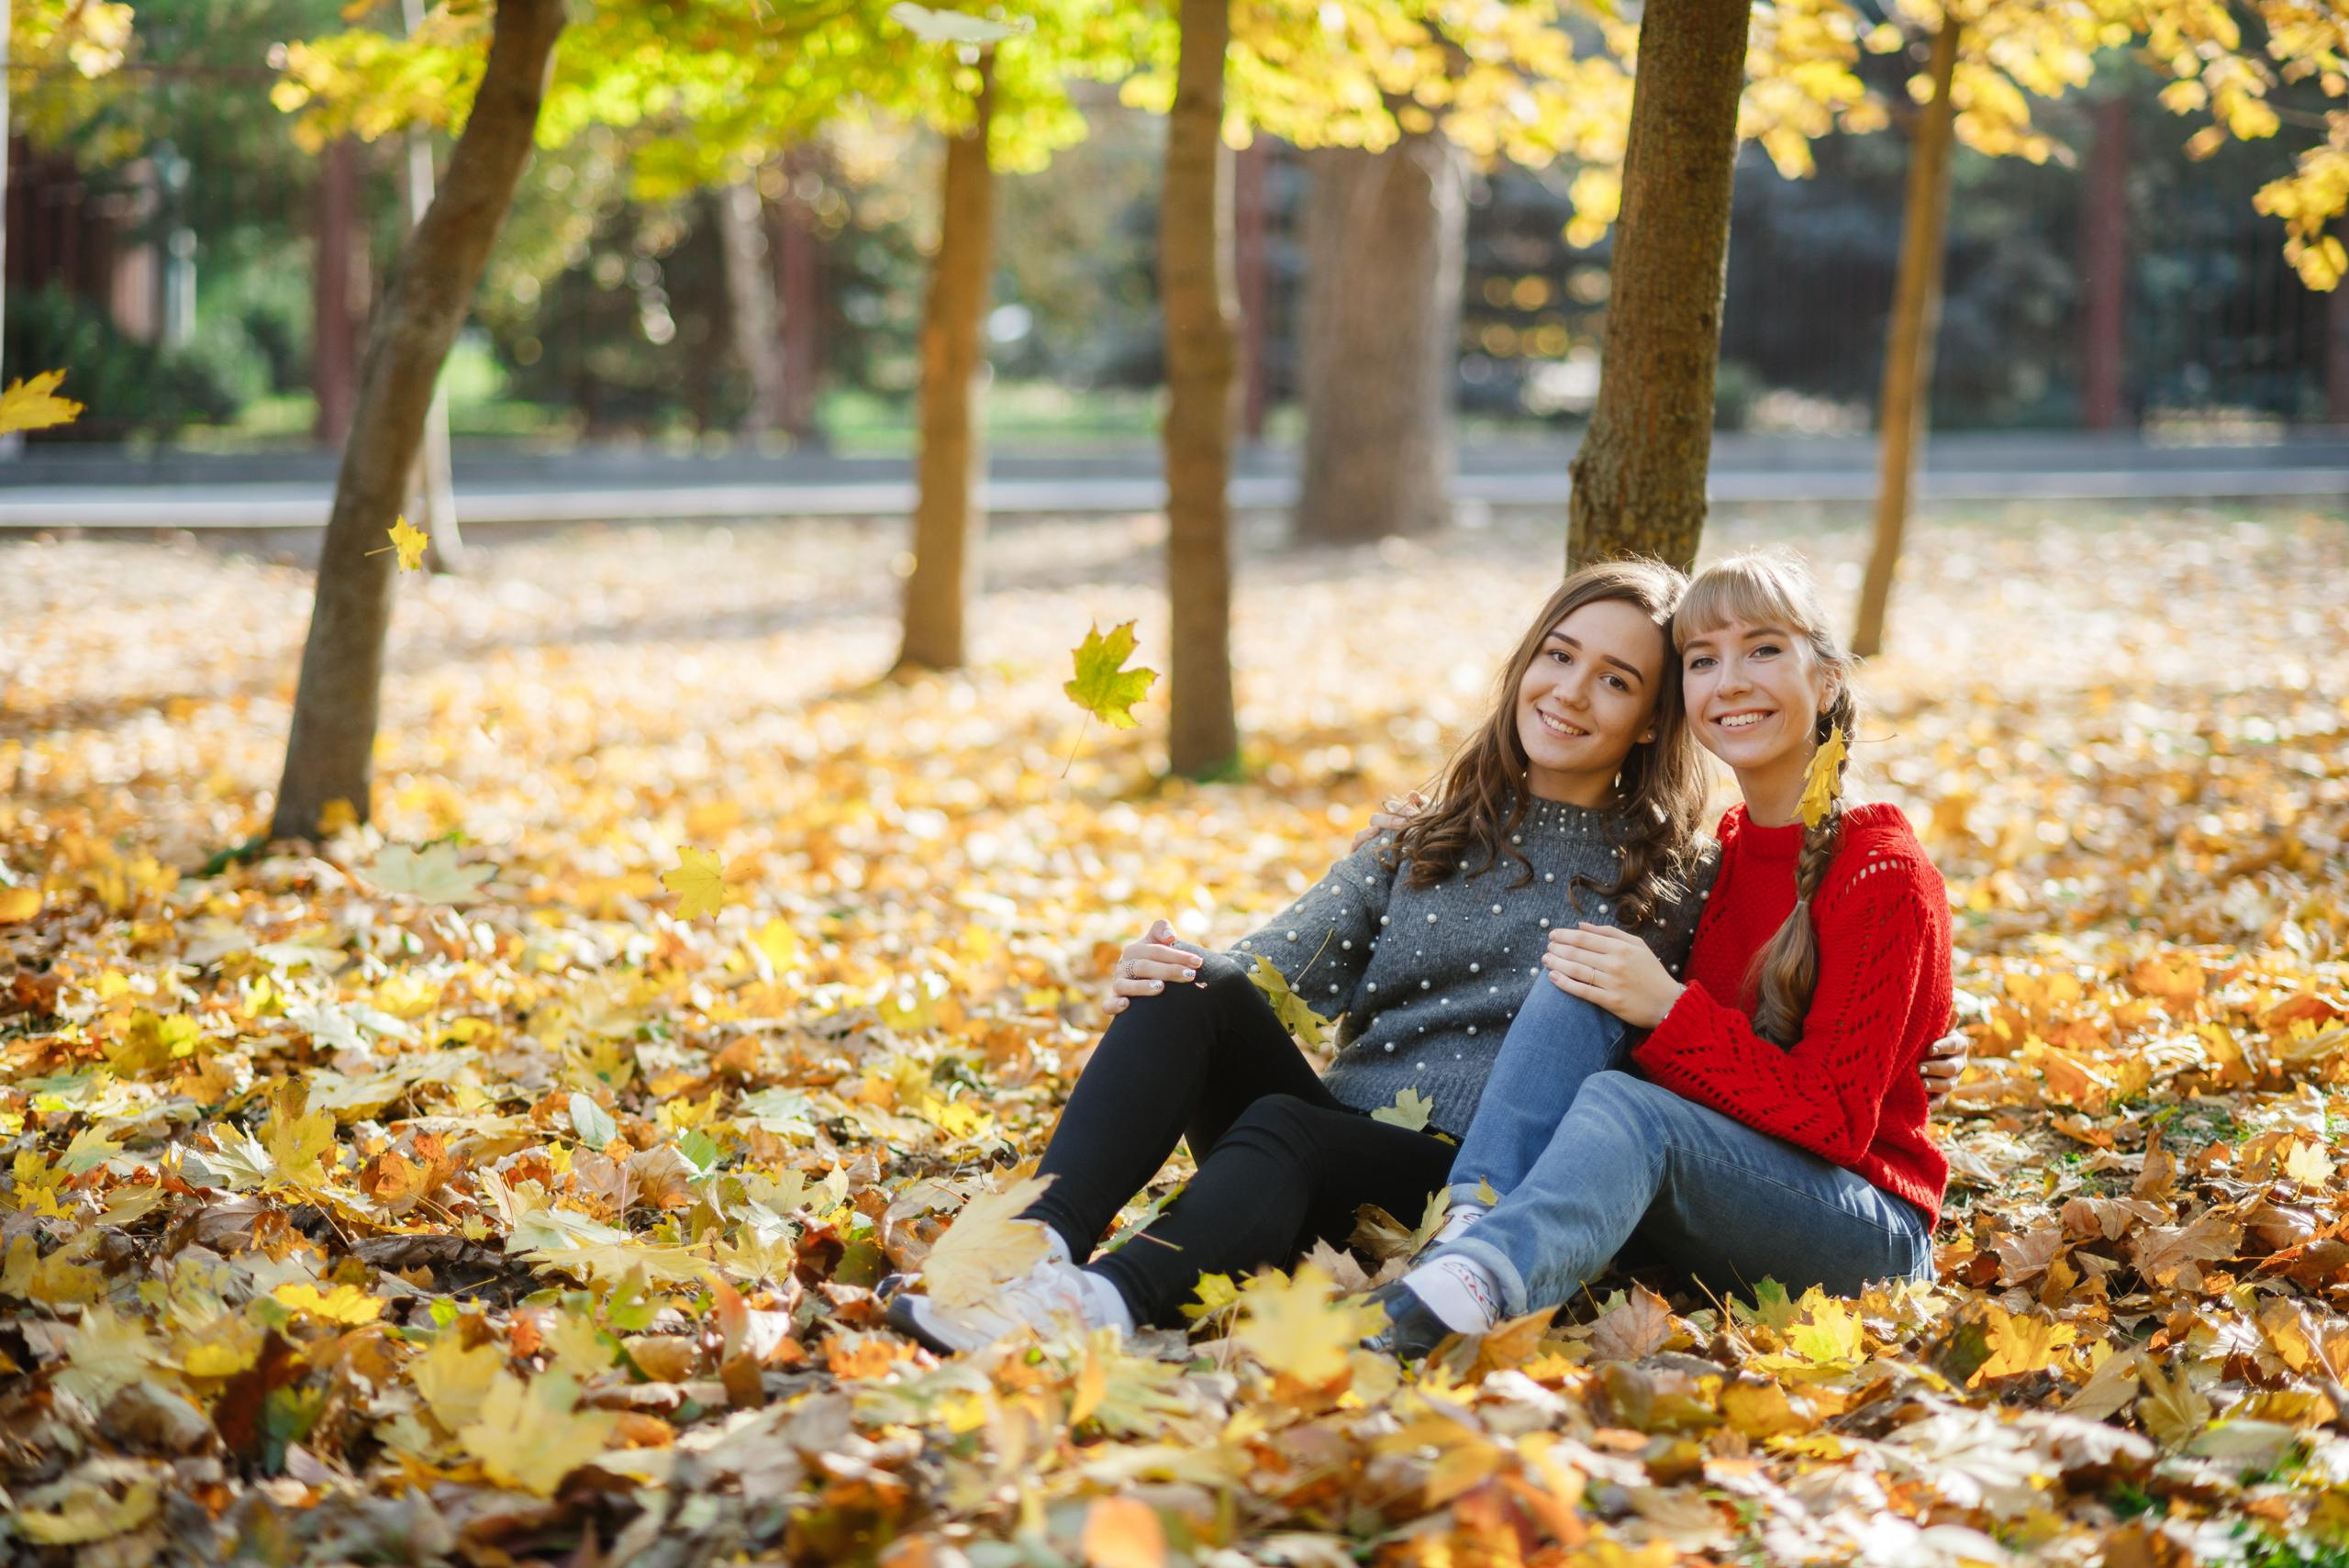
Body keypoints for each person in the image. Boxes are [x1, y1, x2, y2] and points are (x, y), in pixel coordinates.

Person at [885, 561, 1718, 1352]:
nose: (1570, 690)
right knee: (1192, 981)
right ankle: (1024, 1252)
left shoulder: (1676, 882)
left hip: (1469, 1198)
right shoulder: (1425, 836)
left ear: (1652, 719)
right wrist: (1162, 971)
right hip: (1328, 1140)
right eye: (1559, 656)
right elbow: (1267, 972)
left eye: (1615, 680)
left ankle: (1095, 1304)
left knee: (1289, 1126)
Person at [1364, 548, 1954, 1357]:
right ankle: (1470, 1222)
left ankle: (1474, 1290)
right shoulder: (1733, 850)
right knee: (1585, 971)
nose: (1730, 681)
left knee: (1631, 1107)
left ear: (1827, 681)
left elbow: (1837, 1121)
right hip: (1737, 1185)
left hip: (1866, 1229)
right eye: (1702, 660)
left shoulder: (1881, 869)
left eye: (1763, 650)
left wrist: (1670, 1010)